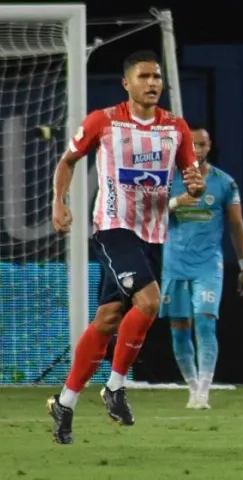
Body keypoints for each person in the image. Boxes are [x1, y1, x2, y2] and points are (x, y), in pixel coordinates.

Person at [48, 50, 205, 444]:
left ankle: (65, 403)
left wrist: (195, 184)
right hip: (113, 227)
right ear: (126, 83)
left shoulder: (176, 127)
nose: (153, 83)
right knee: (149, 302)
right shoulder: (104, 121)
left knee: (108, 318)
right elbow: (67, 161)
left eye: (157, 77)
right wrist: (59, 201)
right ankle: (116, 387)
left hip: (154, 232)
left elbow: (191, 174)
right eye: (144, 76)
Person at [161, 127, 243, 409]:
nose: (197, 150)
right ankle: (191, 386)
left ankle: (203, 390)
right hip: (173, 262)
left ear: (209, 146)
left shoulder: (224, 183)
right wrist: (178, 202)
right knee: (179, 328)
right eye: (192, 145)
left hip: (207, 264)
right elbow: (148, 214)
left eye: (201, 144)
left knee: (205, 321)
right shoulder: (167, 179)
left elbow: (236, 225)